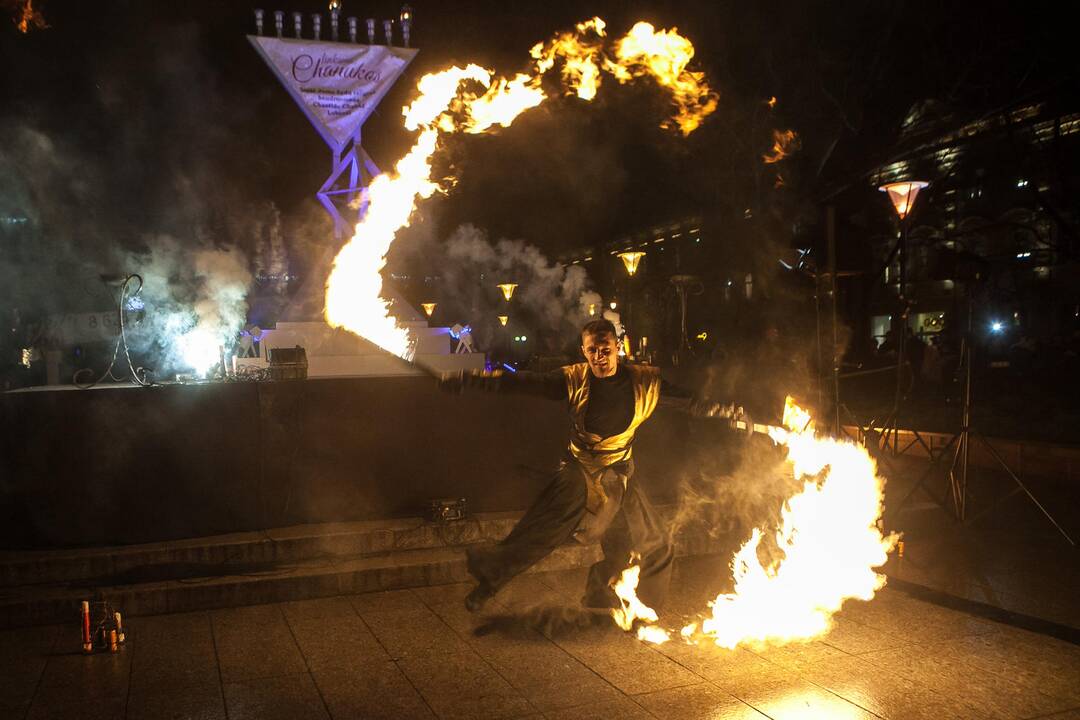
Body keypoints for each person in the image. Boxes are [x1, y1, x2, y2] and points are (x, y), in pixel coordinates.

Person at [441, 318, 726, 613]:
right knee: (540, 532)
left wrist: (713, 407)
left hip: (619, 473)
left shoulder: (644, 381)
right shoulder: (573, 378)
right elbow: (522, 381)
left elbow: (686, 400)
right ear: (583, 351)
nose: (599, 357)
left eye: (605, 349)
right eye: (592, 350)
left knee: (655, 543)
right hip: (580, 471)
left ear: (618, 347)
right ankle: (488, 584)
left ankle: (627, 606)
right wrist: (470, 377)